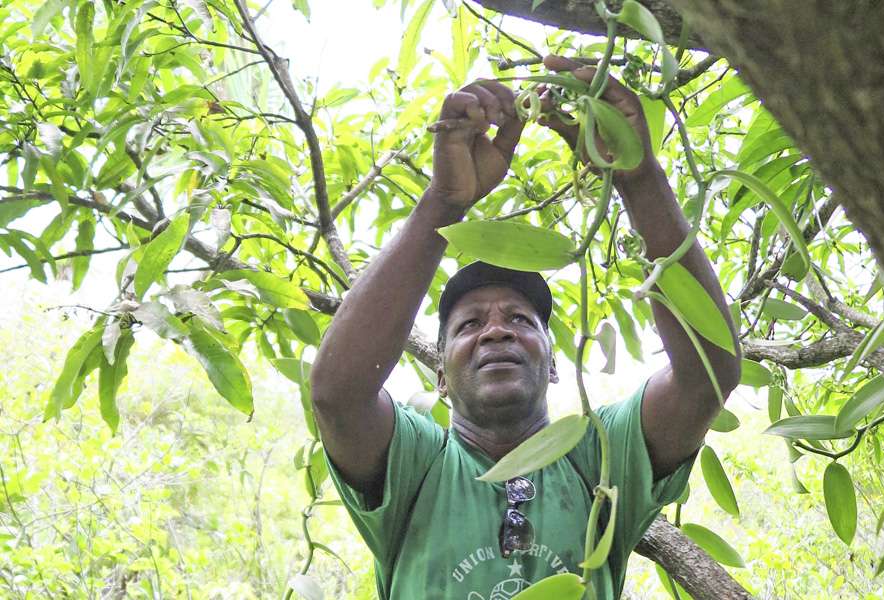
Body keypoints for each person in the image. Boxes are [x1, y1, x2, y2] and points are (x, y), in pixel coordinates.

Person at [309, 55, 741, 599]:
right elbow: (336, 394)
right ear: (440, 375)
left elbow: (708, 373)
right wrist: (444, 203)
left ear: (554, 363)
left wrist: (638, 177)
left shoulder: (601, 459)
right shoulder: (416, 466)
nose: (496, 331)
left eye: (519, 319)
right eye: (468, 325)